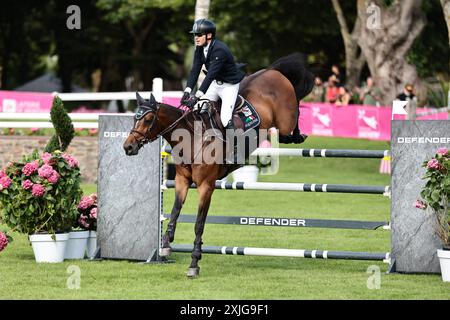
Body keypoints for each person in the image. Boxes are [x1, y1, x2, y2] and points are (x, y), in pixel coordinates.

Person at [180, 19, 245, 131]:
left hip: (229, 86)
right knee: (196, 110)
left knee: (225, 119)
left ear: (209, 35)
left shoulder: (220, 50)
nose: (196, 37)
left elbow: (210, 75)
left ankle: (235, 145)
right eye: (195, 35)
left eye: (199, 35)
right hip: (215, 84)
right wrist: (187, 91)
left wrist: (197, 96)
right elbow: (195, 70)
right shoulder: (199, 48)